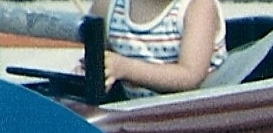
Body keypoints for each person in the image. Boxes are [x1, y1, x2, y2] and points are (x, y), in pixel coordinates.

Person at [84, 0, 225, 95]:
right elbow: (96, 55)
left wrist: (124, 68)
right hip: (132, 115)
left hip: (196, 118)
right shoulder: (108, 5)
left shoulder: (198, 7)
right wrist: (94, 68)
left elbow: (190, 76)